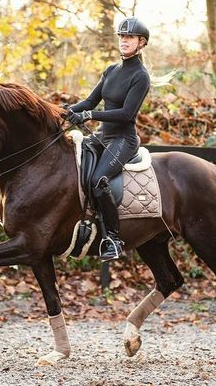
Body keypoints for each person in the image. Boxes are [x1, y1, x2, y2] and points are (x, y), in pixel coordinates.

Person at [67, 17, 151, 262]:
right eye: (122, 37)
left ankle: (113, 238)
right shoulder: (111, 70)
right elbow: (89, 102)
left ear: (141, 43)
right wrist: (62, 111)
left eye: (129, 37)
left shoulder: (141, 76)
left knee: (98, 179)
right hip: (103, 136)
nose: (124, 41)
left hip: (123, 140)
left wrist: (90, 115)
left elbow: (126, 113)